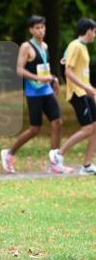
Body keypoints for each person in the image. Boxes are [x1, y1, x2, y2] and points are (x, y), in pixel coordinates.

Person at [0, 15, 67, 175]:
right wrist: (39, 78)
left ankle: (55, 161)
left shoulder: (45, 46)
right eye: (37, 28)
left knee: (57, 122)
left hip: (46, 91)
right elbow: (19, 70)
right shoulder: (26, 47)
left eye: (43, 27)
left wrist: (53, 80)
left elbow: (45, 68)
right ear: (31, 29)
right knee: (34, 129)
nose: (41, 30)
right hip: (34, 93)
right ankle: (8, 154)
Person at [50, 17, 96, 176]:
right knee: (88, 128)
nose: (95, 35)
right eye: (94, 31)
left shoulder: (82, 47)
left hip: (85, 92)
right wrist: (85, 88)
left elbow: (82, 74)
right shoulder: (75, 46)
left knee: (95, 128)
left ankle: (87, 165)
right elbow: (68, 72)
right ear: (89, 30)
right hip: (77, 93)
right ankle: (58, 154)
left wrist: (92, 90)